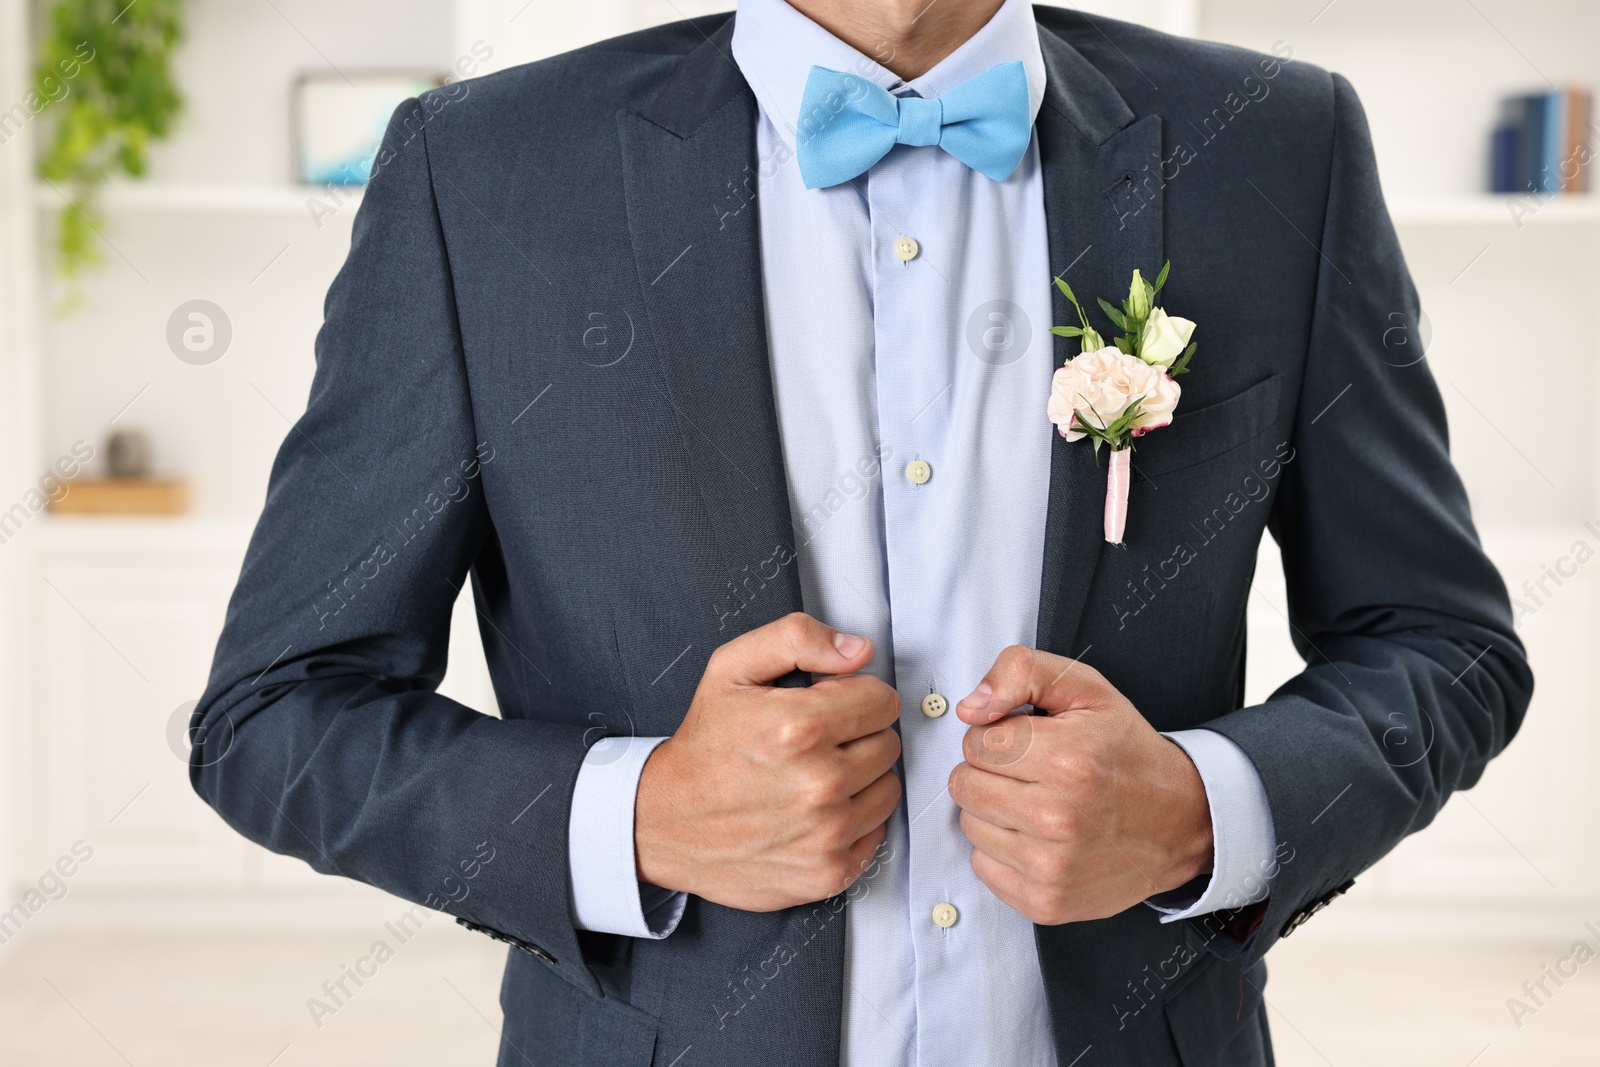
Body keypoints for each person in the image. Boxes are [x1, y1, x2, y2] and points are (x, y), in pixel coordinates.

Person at [189, 1, 1533, 1064]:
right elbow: (278, 715)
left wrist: (1206, 810)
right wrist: (637, 815)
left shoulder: (1275, 144)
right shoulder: (478, 175)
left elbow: (1440, 643)